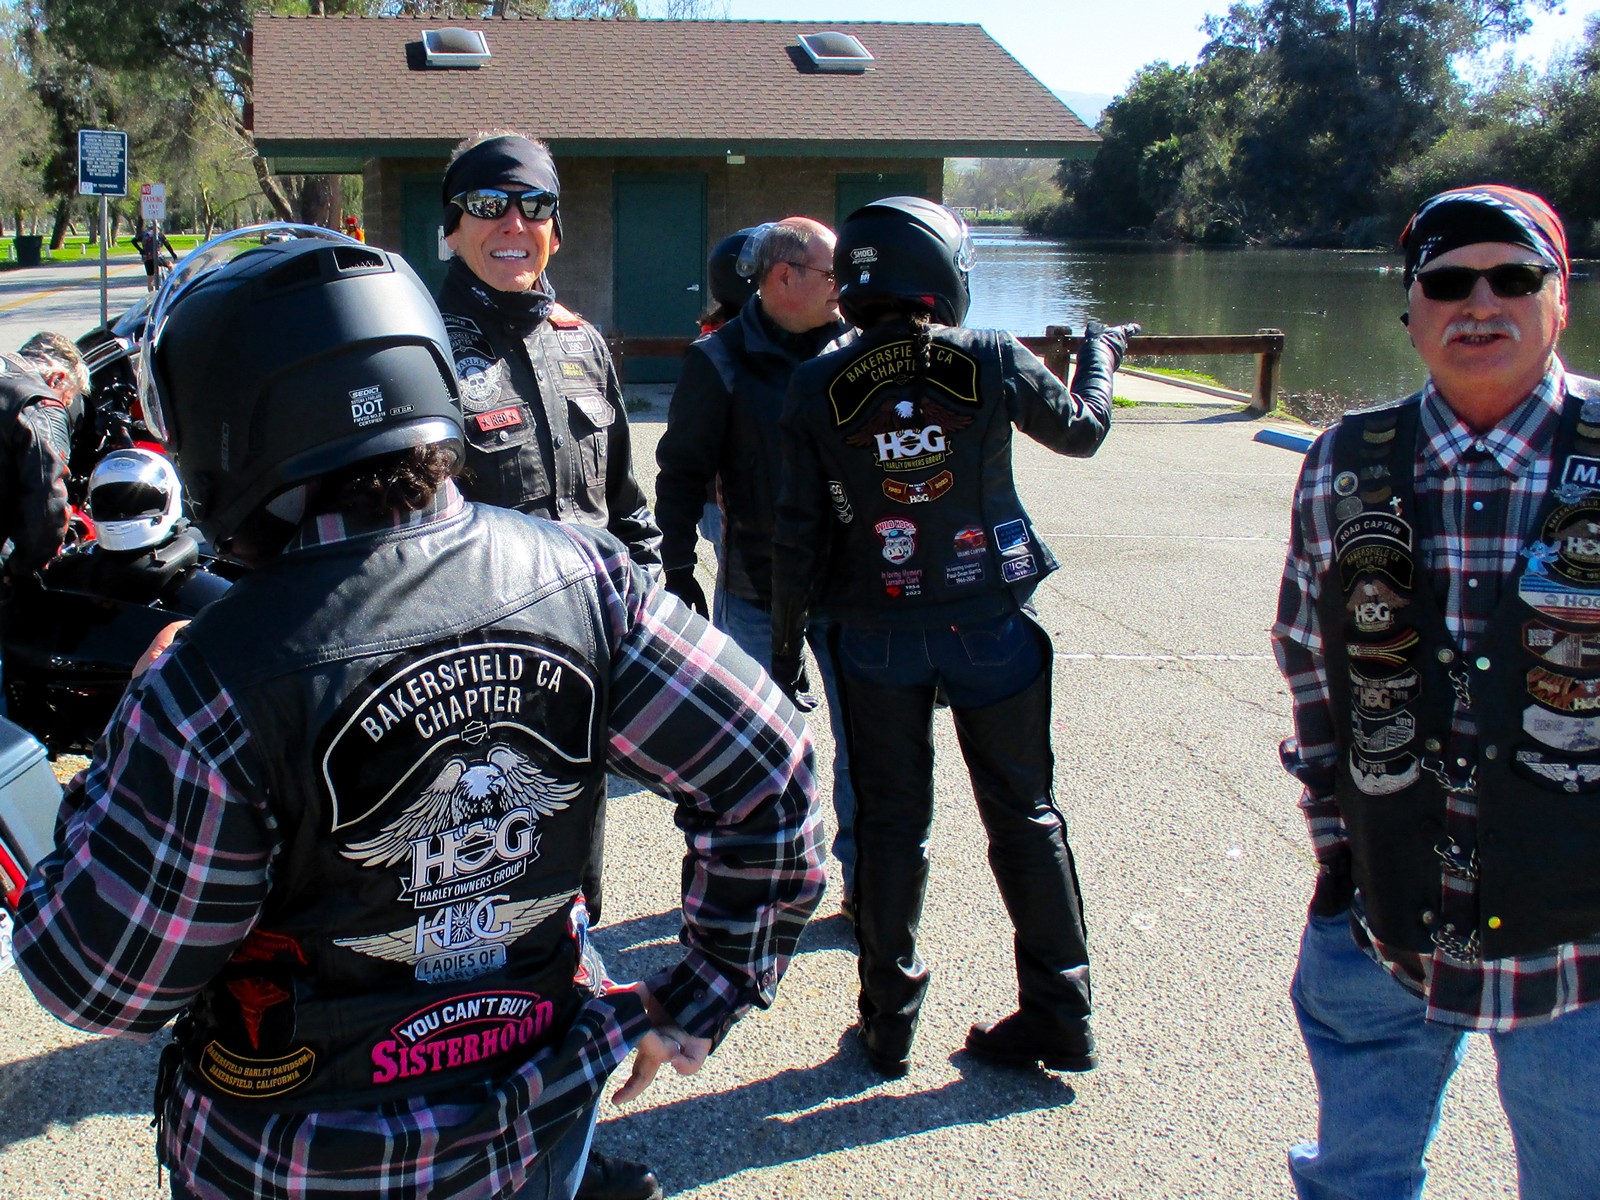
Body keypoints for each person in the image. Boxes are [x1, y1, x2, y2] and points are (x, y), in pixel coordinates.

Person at [10, 233, 824, 1200]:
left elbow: (102, 981)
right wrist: (695, 998)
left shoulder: (208, 681)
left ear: (231, 424)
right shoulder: (586, 578)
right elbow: (771, 774)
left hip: (291, 1162)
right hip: (536, 1122)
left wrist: (111, 765)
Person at [1272, 184, 1600, 1199]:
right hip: (1381, 930)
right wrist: (1340, 863)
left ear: (1561, 300)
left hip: (1580, 955)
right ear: (1410, 312)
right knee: (1355, 1182)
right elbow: (1308, 666)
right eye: (1449, 282)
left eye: (1514, 278)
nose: (1480, 304)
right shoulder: (1344, 461)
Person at [771, 196, 1135, 1077]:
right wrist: (1101, 354)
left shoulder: (815, 382)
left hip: (875, 635)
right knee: (1026, 816)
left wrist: (784, 647)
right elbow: (1083, 433)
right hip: (991, 623)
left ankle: (888, 1023)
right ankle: (1062, 1013)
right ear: (940, 269)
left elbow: (795, 534)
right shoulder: (993, 355)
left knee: (892, 829)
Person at [434, 131, 666, 1200]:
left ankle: (558, 1141)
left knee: (573, 902)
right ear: (451, 225)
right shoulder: (421, 345)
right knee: (472, 923)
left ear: (556, 228)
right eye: (488, 205)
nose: (513, 225)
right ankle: (466, 1153)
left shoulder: (582, 345)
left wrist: (655, 613)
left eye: (532, 206)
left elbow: (626, 508)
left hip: (586, 680)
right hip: (473, 703)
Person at [655, 217, 860, 908]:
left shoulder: (858, 350)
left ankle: (866, 894)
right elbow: (681, 473)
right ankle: (755, 889)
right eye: (832, 274)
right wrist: (678, 571)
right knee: (754, 752)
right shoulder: (717, 362)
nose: (844, 287)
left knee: (867, 752)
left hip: (854, 591)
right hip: (755, 592)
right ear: (782, 278)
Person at [0, 331, 89, 577]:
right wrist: (25, 568)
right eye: (68, 399)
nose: (64, 405)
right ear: (58, 379)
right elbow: (47, 504)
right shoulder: (40, 403)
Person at [136, 222, 178, 291]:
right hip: (158, 257)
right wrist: (173, 254)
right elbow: (167, 244)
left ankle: (151, 294)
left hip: (147, 258)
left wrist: (140, 250)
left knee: (150, 279)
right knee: (170, 265)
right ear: (157, 228)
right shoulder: (159, 234)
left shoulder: (144, 235)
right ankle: (174, 282)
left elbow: (133, 241)